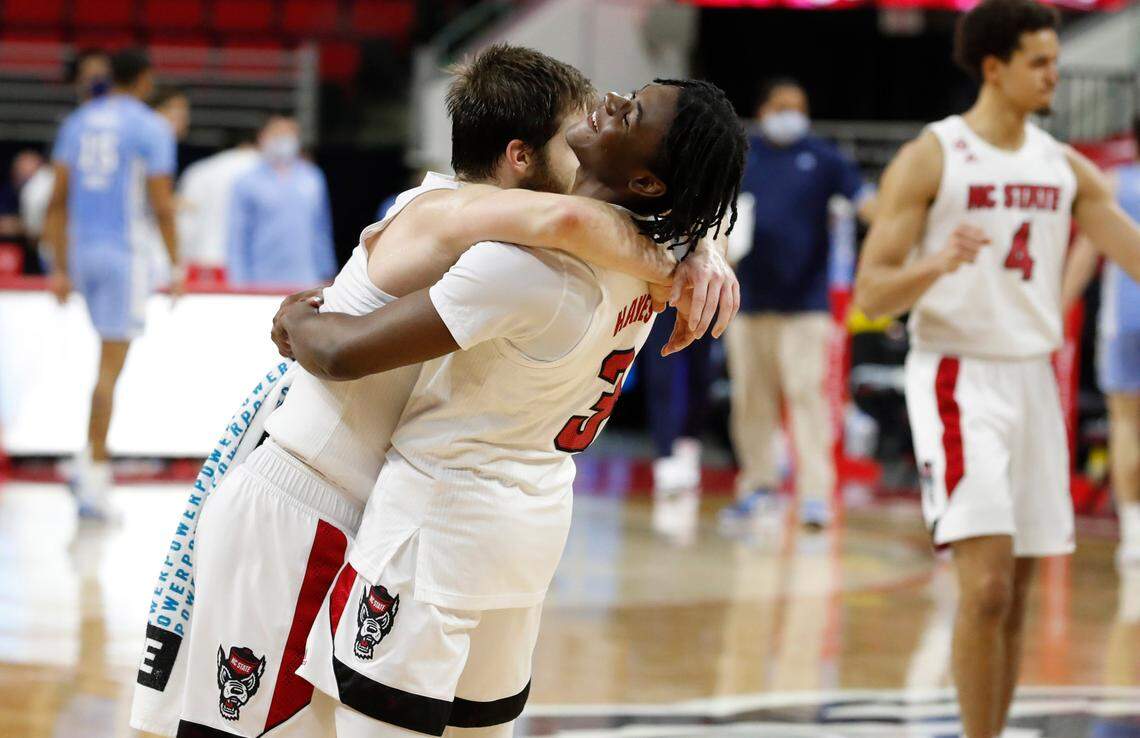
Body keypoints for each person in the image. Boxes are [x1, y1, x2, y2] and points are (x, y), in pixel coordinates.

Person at [162, 45, 737, 738]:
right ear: (519, 159)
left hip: (432, 516)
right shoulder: (636, 265)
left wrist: (297, 321)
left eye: (627, 112)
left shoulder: (527, 260)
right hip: (401, 502)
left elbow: (342, 349)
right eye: (584, 117)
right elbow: (591, 223)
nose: (609, 107)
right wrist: (696, 249)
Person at [853, 2, 1140, 736]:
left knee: (1013, 591)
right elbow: (872, 291)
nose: (1054, 74)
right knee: (982, 590)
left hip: (1034, 381)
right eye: (1040, 62)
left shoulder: (1065, 165)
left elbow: (1131, 251)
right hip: (958, 376)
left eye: (1054, 60)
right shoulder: (935, 155)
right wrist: (936, 262)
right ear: (994, 68)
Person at [718, 77, 875, 531]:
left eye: (799, 107)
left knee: (808, 397)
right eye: (783, 106)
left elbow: (867, 204)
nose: (792, 115)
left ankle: (815, 496)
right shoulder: (744, 156)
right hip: (748, 303)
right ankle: (756, 487)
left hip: (806, 306)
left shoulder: (823, 158)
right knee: (751, 400)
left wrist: (899, 220)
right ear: (765, 109)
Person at [43, 49, 181, 520]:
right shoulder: (149, 126)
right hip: (124, 254)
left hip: (83, 252)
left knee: (102, 364)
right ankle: (94, 472)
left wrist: (59, 267)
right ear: (144, 80)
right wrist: (179, 263)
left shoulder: (79, 121)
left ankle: (87, 459)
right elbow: (162, 204)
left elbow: (57, 201)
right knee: (110, 369)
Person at [1062, 122, 1140, 567]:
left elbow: (1085, 254)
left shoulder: (1112, 184)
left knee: (1126, 424)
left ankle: (1132, 535)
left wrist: (1057, 310)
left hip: (1123, 322)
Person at [22, 48, 112, 270]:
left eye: (101, 74)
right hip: (70, 219)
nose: (95, 80)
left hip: (109, 231)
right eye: (89, 74)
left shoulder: (126, 122)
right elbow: (53, 184)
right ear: (78, 80)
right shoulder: (69, 125)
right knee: (39, 189)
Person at [226, 116, 336, 288]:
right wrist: (239, 282)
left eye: (290, 133)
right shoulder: (246, 182)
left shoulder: (312, 177)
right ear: (262, 137)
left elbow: (321, 229)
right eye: (278, 133)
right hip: (261, 279)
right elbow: (238, 236)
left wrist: (327, 273)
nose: (284, 138)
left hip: (306, 279)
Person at [176, 130, 260, 272]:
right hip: (253, 265)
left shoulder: (199, 171)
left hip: (206, 259)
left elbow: (185, 225)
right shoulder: (269, 171)